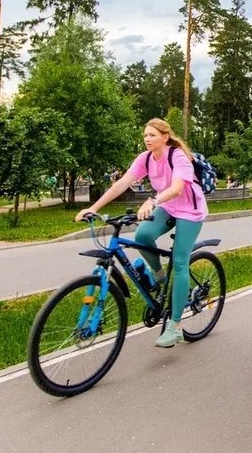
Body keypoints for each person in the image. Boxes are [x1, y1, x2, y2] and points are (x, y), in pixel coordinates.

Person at [77, 118, 207, 349]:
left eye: (152, 135)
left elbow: (177, 187)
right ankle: (158, 278)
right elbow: (121, 184)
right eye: (145, 135)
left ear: (165, 137)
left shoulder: (176, 155)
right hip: (168, 206)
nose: (147, 139)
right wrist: (93, 208)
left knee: (179, 262)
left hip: (189, 209)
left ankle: (175, 326)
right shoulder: (145, 158)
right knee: (142, 236)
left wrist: (152, 200)